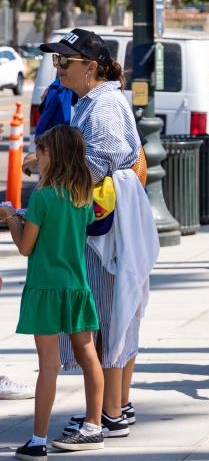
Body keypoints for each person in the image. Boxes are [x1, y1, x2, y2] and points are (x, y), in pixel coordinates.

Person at [30, 28, 158, 441]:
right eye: (56, 61)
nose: (59, 69)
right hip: (114, 221)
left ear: (91, 66)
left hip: (105, 227)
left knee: (104, 315)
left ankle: (103, 416)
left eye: (65, 62)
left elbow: (96, 164)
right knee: (118, 312)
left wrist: (49, 169)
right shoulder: (97, 99)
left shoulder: (100, 105)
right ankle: (114, 406)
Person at [3, 126, 106, 457]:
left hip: (44, 289)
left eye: (41, 152)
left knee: (49, 365)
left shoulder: (42, 198)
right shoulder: (82, 196)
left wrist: (10, 218)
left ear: (53, 156)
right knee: (88, 356)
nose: (37, 157)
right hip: (76, 287)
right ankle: (94, 424)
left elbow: (25, 246)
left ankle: (37, 440)